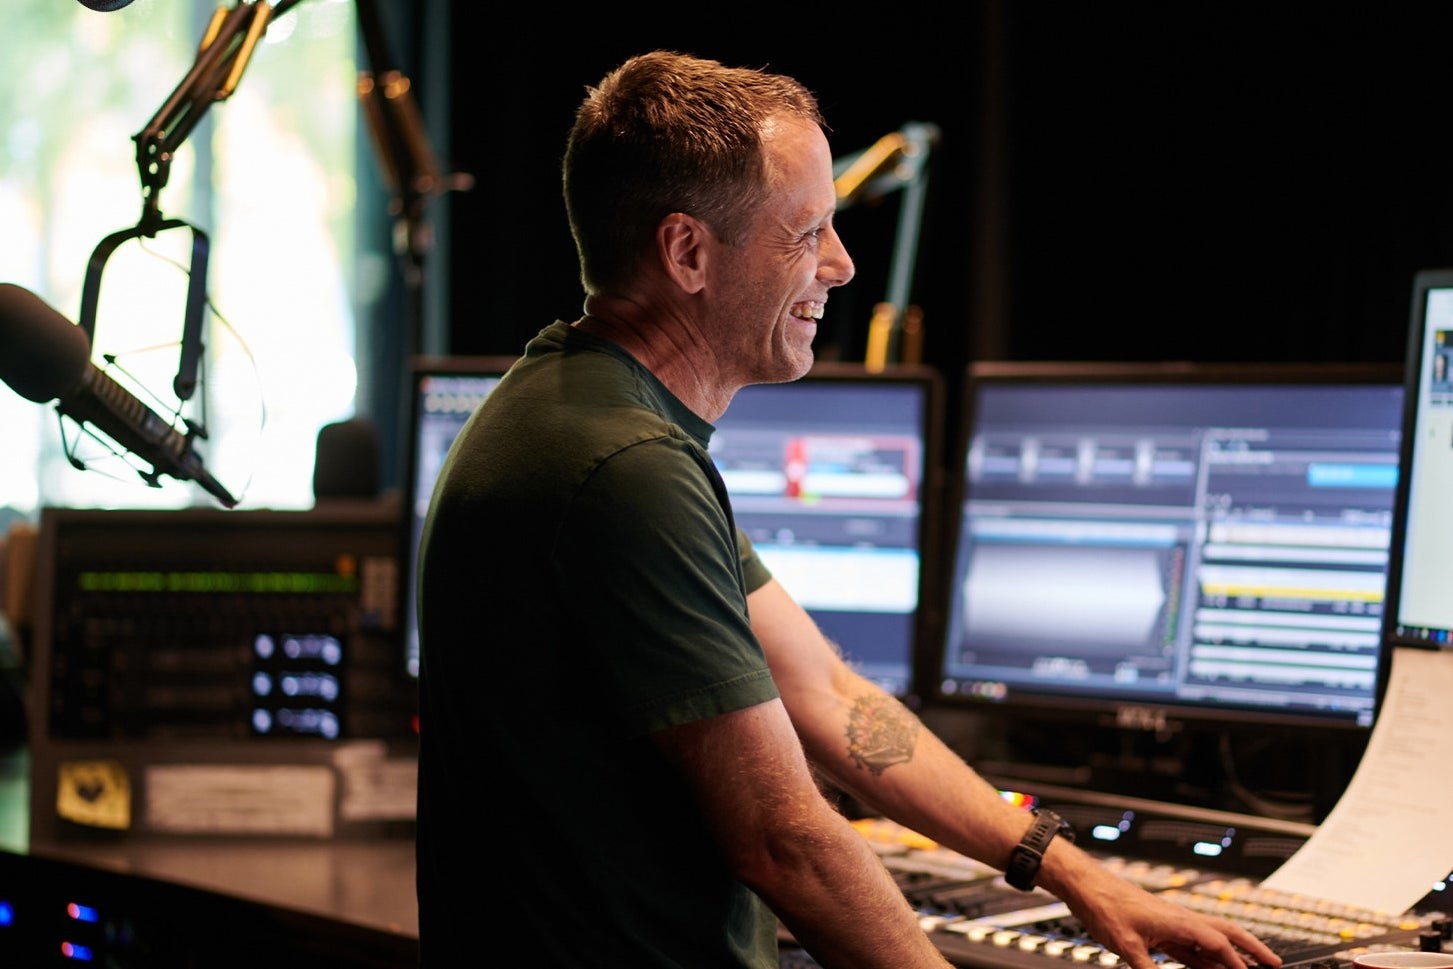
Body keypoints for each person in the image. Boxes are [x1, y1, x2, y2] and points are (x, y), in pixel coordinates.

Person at [414, 49, 1285, 969]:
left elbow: (823, 691)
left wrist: (1074, 872)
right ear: (687, 252)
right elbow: (786, 839)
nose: (839, 263)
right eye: (805, 231)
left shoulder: (582, 407)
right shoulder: (624, 466)